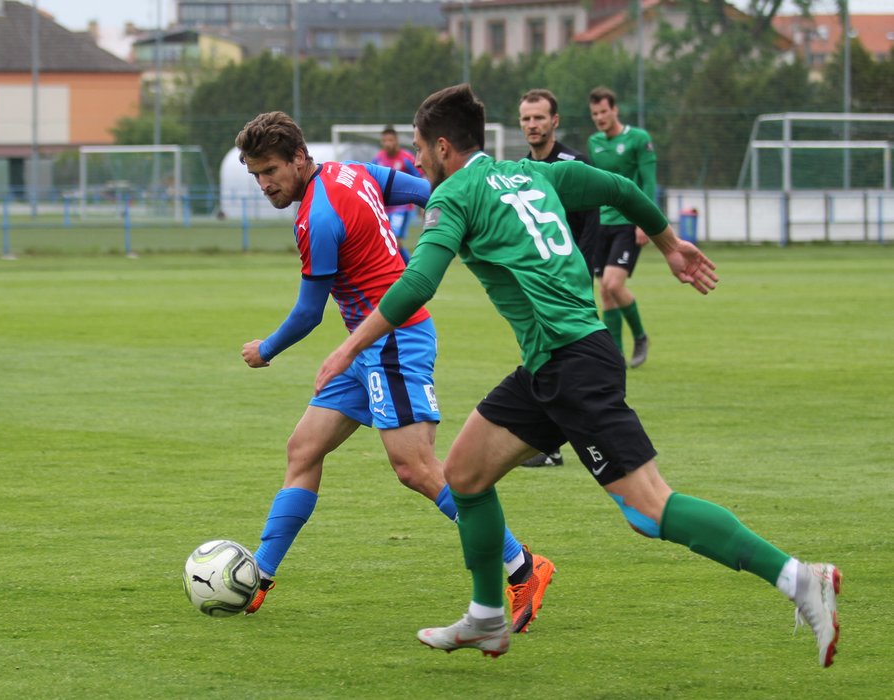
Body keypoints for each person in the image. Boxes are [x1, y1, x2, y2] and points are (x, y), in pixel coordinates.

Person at [315, 85, 841, 666]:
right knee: (463, 475)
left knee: (648, 509)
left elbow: (416, 282)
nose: (415, 162)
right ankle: (488, 617)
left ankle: (799, 578)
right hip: (551, 362)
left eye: (419, 149)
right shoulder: (532, 174)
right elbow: (618, 188)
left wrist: (347, 349)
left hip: (573, 365)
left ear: (443, 146)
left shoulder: (455, 197)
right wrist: (669, 244)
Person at [234, 111, 555, 633]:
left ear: (298, 157)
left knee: (417, 468)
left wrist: (265, 349)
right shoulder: (353, 171)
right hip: (364, 345)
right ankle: (258, 576)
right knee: (304, 449)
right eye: (255, 175)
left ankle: (524, 566)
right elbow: (428, 192)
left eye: (270, 170)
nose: (265, 183)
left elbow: (308, 314)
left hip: (392, 341)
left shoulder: (315, 218)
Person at [518, 88, 601, 469]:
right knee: (543, 358)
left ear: (555, 121)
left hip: (569, 284)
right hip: (537, 283)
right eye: (526, 119)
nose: (532, 125)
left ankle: (559, 441)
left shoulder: (573, 163)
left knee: (564, 361)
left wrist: (580, 275)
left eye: (539, 117)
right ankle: (549, 442)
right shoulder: (521, 170)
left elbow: (590, 225)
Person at [588, 86, 655, 368]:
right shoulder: (594, 143)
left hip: (629, 222)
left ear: (615, 110)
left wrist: (647, 221)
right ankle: (614, 356)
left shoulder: (638, 139)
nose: (600, 117)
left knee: (613, 284)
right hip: (602, 223)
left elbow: (649, 181)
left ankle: (640, 336)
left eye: (604, 111)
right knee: (603, 290)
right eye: (595, 114)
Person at [372, 126, 424, 264]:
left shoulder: (406, 157)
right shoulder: (378, 159)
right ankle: (400, 272)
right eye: (385, 140)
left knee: (395, 240)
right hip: (385, 208)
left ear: (396, 141)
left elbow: (421, 178)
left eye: (390, 140)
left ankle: (412, 272)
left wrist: (422, 205)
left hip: (403, 207)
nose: (388, 143)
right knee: (387, 242)